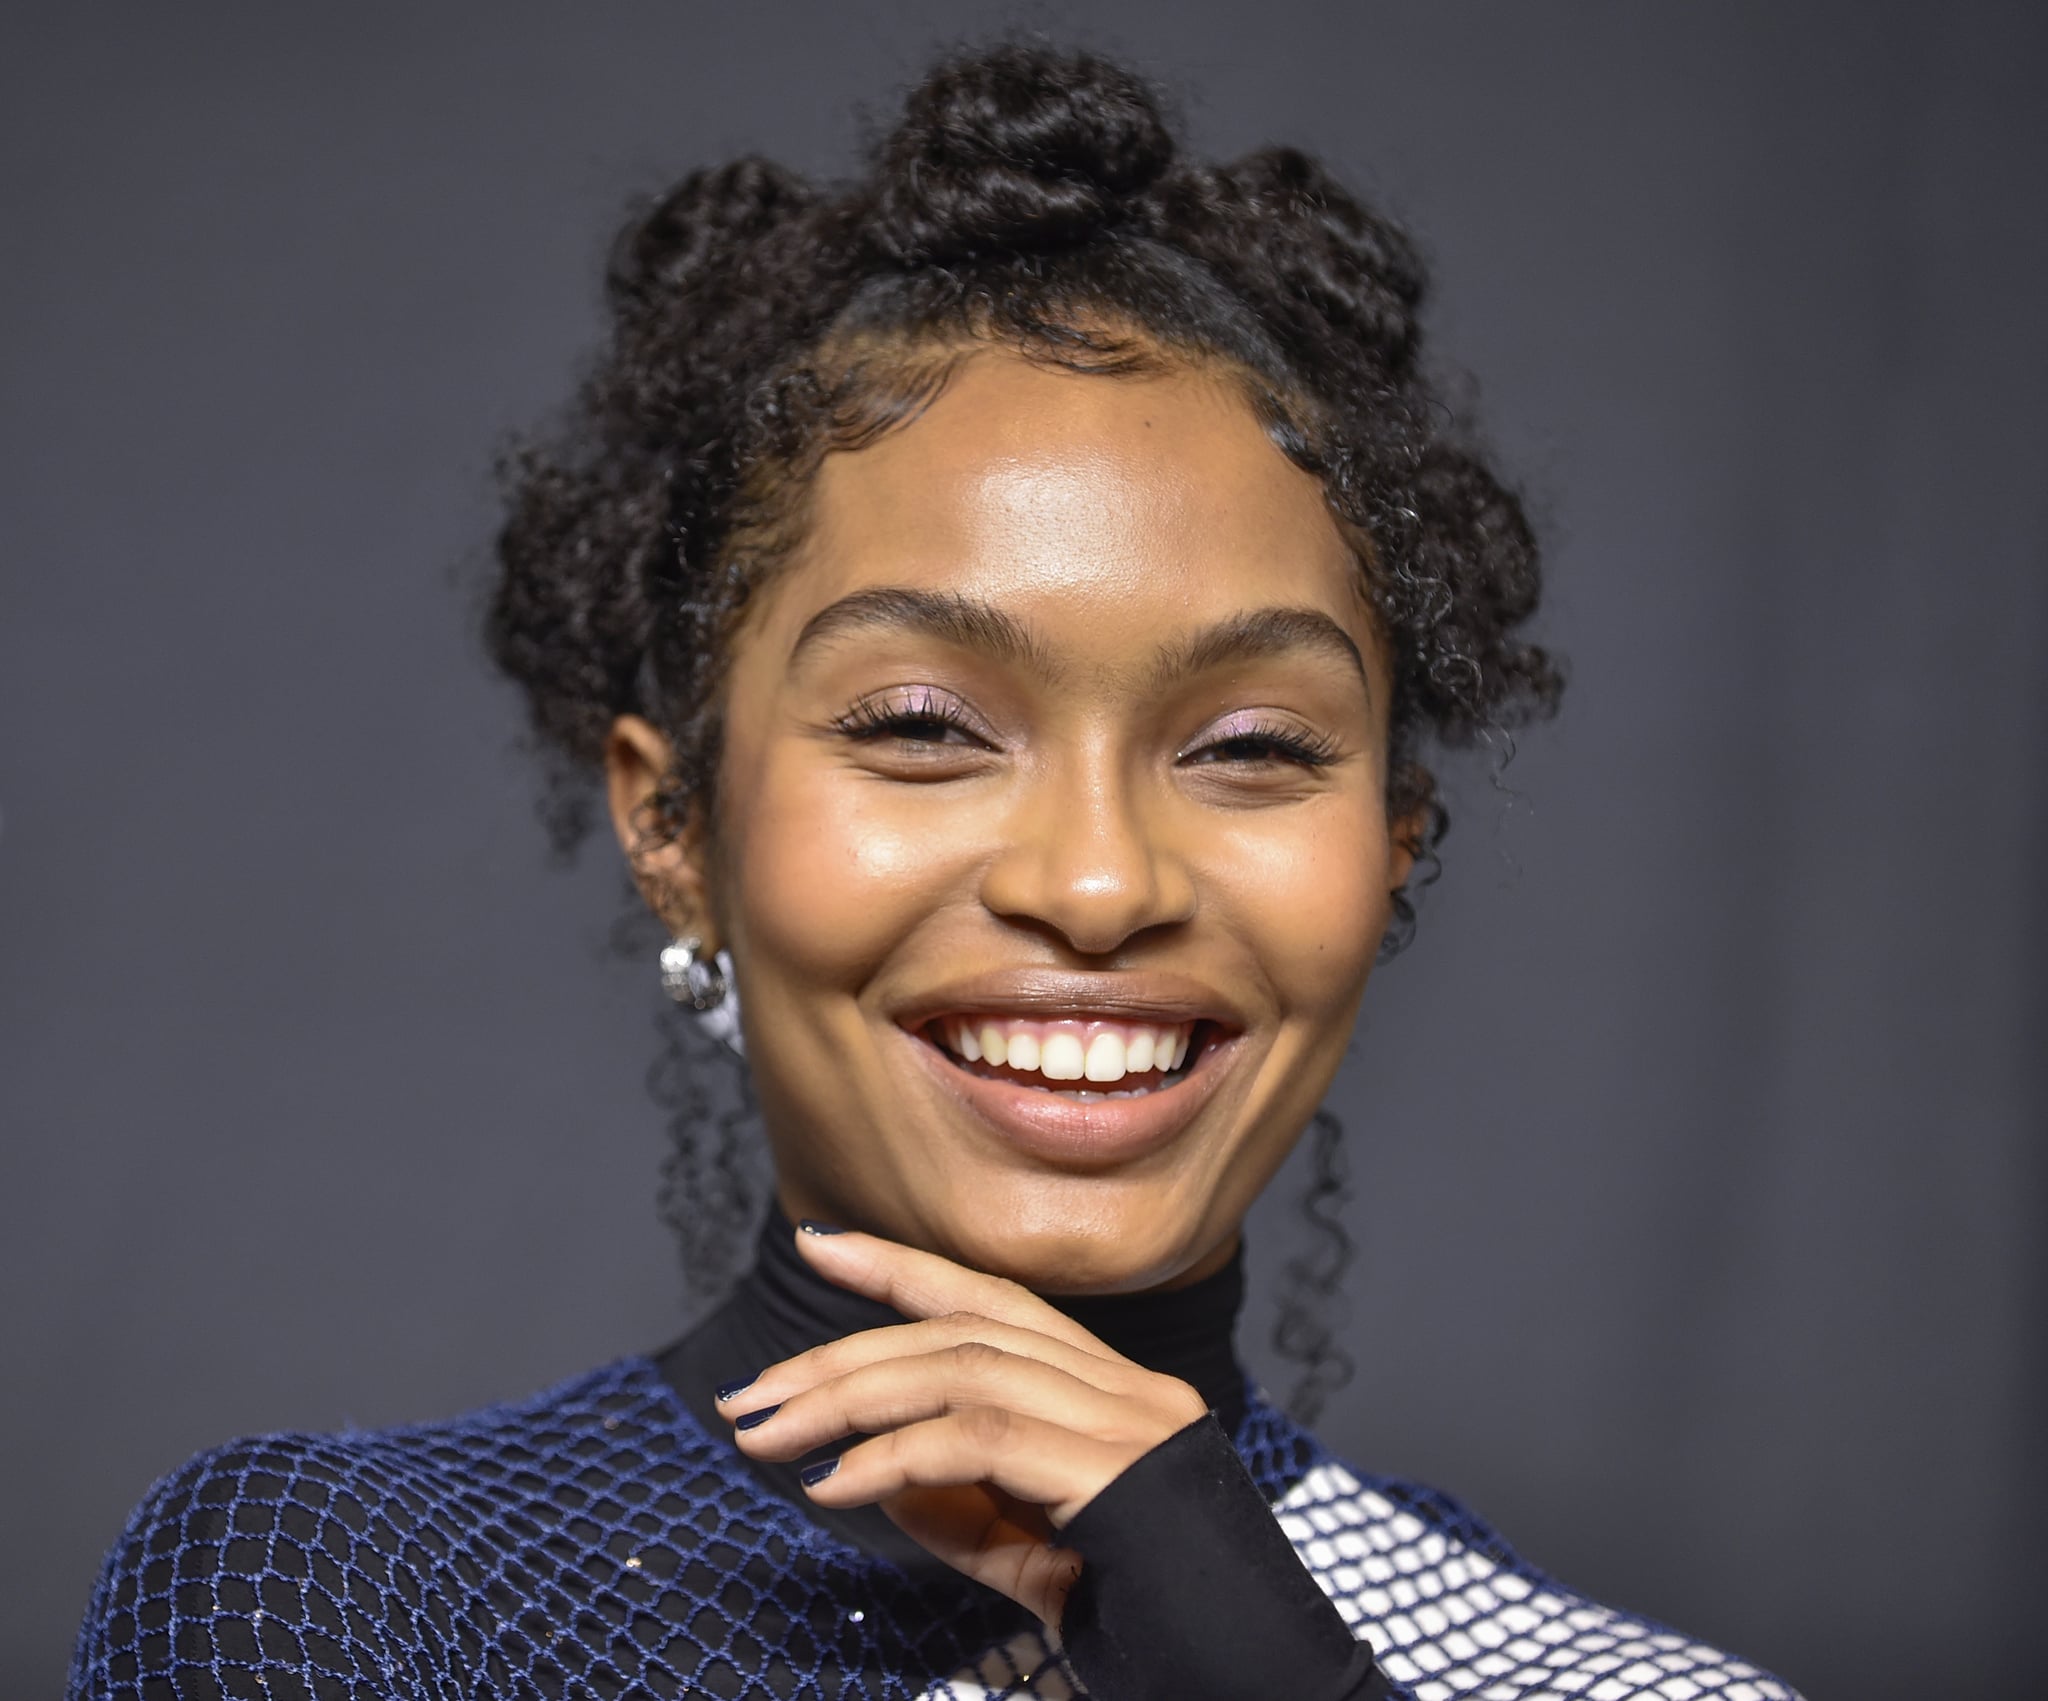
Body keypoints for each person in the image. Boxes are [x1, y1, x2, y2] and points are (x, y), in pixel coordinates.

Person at [66, 41, 1801, 1701]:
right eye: (922, 724)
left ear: (1394, 851)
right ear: (675, 829)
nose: (1103, 884)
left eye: (1255, 746)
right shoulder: (343, 1599)